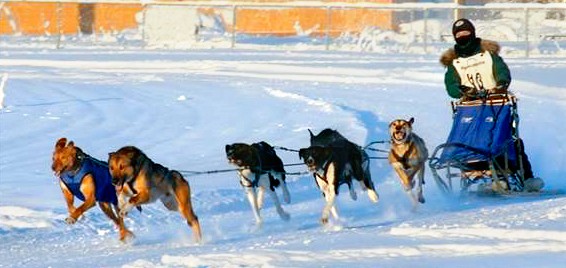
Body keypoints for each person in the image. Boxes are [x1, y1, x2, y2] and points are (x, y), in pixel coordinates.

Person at [440, 18, 544, 192]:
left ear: (472, 34)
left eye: (466, 33)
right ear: (455, 37)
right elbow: (451, 87)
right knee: (470, 139)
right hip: (470, 107)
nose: (463, 36)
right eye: (459, 34)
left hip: (496, 104)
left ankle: (526, 177)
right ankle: (479, 171)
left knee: (506, 139)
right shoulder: (454, 63)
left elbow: (502, 72)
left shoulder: (489, 55)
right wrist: (462, 90)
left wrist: (501, 84)